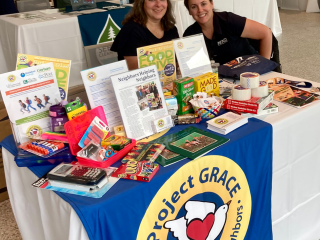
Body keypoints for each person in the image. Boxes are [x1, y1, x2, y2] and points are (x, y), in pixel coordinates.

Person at [183, 0, 272, 65]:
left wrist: (263, 66)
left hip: (250, 72)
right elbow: (190, 66)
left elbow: (266, 33)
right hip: (221, 82)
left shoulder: (229, 20)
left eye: (203, 4)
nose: (200, 10)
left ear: (212, 4)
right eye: (194, 7)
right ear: (189, 11)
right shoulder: (189, 35)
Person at [111, 0, 179, 70]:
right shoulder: (131, 31)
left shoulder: (171, 29)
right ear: (141, 3)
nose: (158, 4)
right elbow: (138, 73)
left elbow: (177, 64)